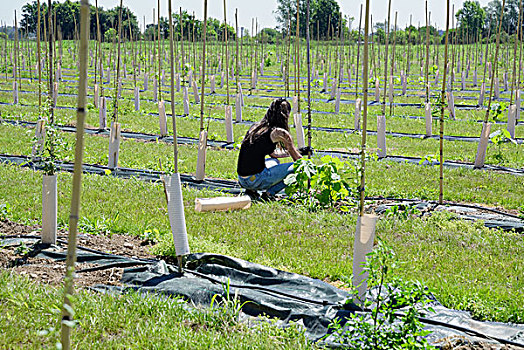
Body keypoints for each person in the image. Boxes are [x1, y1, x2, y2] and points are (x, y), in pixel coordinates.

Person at [237, 98, 310, 199]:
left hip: (242, 180)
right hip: (256, 180)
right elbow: (298, 161)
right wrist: (308, 164)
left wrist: (299, 150)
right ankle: (269, 193)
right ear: (286, 116)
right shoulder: (280, 133)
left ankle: (252, 191)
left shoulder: (256, 128)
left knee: (274, 160)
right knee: (299, 168)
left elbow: (274, 154)